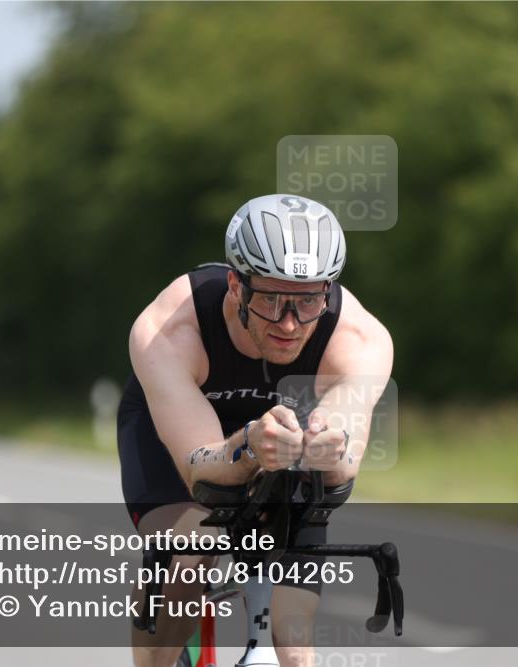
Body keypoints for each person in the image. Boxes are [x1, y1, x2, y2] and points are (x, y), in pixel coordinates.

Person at [118, 194, 393, 667]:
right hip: (180, 434)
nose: (290, 323)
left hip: (285, 443)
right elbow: (199, 468)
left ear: (327, 292)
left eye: (308, 302)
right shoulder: (167, 330)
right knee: (188, 553)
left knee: (293, 642)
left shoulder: (360, 340)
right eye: (271, 299)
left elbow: (343, 465)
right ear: (235, 285)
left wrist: (328, 450)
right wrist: (247, 447)